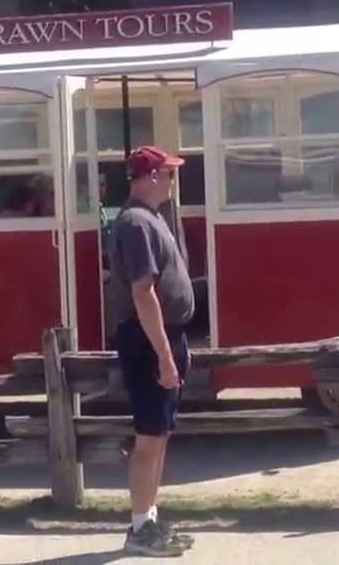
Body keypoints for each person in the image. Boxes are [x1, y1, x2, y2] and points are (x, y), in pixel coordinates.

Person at [104, 146, 196, 557]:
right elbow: (144, 293)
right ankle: (140, 527)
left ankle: (150, 520)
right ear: (152, 176)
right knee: (148, 436)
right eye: (170, 174)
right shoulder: (137, 222)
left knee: (159, 434)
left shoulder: (153, 217)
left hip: (162, 335)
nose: (174, 182)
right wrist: (163, 354)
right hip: (146, 338)